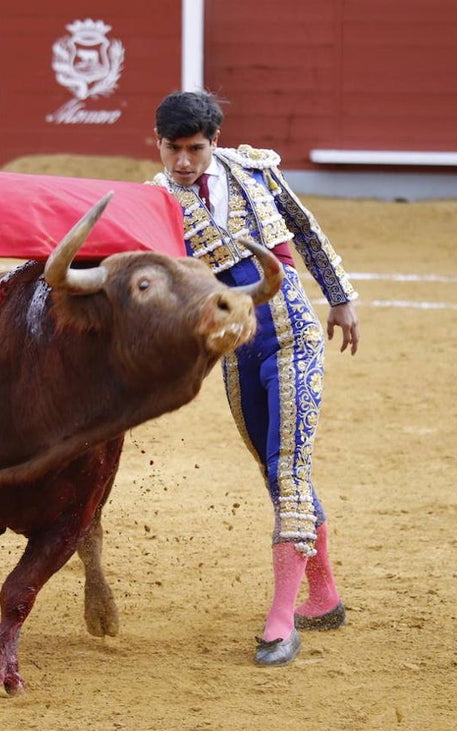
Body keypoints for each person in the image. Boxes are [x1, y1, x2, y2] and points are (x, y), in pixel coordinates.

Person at [151, 91, 360, 666]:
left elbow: (306, 229)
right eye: (174, 149)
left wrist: (339, 299)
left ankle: (280, 620)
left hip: (294, 335)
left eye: (195, 149)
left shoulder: (253, 170)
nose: (184, 161)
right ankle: (324, 595)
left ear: (213, 144)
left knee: (290, 469)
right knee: (274, 468)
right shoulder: (154, 200)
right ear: (159, 144)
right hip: (237, 350)